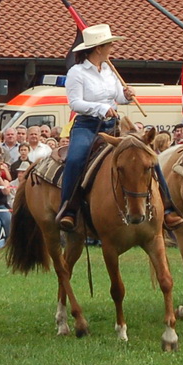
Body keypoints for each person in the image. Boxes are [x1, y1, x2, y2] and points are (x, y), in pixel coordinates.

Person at [55, 24, 135, 232]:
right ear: (98, 48)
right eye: (109, 44)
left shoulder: (110, 70)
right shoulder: (77, 72)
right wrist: (101, 108)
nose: (111, 48)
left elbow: (117, 97)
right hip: (87, 125)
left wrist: (125, 97)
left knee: (142, 153)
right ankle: (69, 209)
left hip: (114, 125)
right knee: (75, 159)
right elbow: (75, 103)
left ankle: (167, 204)